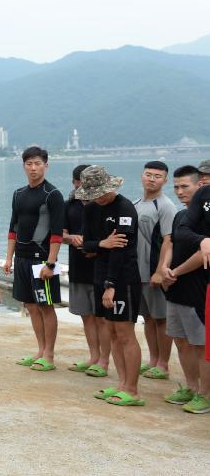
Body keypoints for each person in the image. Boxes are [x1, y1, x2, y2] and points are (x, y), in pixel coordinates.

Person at [77, 165, 145, 406]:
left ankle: (133, 390)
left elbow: (122, 249)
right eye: (94, 194)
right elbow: (87, 244)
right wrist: (102, 244)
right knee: (112, 332)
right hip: (100, 275)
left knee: (125, 333)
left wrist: (111, 285)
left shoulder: (124, 208)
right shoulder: (92, 208)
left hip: (123, 278)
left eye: (102, 192)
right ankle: (121, 384)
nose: (99, 197)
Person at [3, 146, 64, 372]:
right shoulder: (19, 194)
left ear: (45, 166)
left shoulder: (53, 195)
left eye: (37, 163)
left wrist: (51, 263)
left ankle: (49, 354)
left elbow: (57, 234)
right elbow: (13, 228)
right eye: (29, 164)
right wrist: (9, 258)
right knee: (30, 305)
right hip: (22, 258)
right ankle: (39, 350)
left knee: (46, 306)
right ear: (24, 166)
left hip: (42, 260)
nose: (33, 168)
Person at [158, 165, 209, 413]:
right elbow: (169, 243)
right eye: (176, 187)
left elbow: (203, 255)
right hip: (174, 289)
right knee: (181, 341)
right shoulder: (181, 216)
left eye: (184, 186)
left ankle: (205, 394)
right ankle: (190, 386)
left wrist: (175, 272)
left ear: (200, 186)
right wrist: (164, 268)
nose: (179, 192)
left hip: (197, 290)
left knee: (201, 344)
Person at [63, 164, 110, 378]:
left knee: (102, 317)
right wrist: (71, 238)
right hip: (78, 266)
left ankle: (104, 361)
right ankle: (93, 356)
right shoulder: (69, 205)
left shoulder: (103, 204)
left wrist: (95, 245)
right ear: (75, 183)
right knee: (86, 316)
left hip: (100, 267)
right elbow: (60, 234)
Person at [133, 161, 177, 380]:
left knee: (161, 319)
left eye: (157, 176)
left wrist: (161, 270)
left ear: (165, 180)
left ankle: (163, 364)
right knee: (148, 318)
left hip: (153, 271)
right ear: (142, 176)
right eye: (148, 174)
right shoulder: (137, 202)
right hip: (137, 272)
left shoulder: (166, 205)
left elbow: (169, 240)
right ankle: (152, 360)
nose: (151, 179)